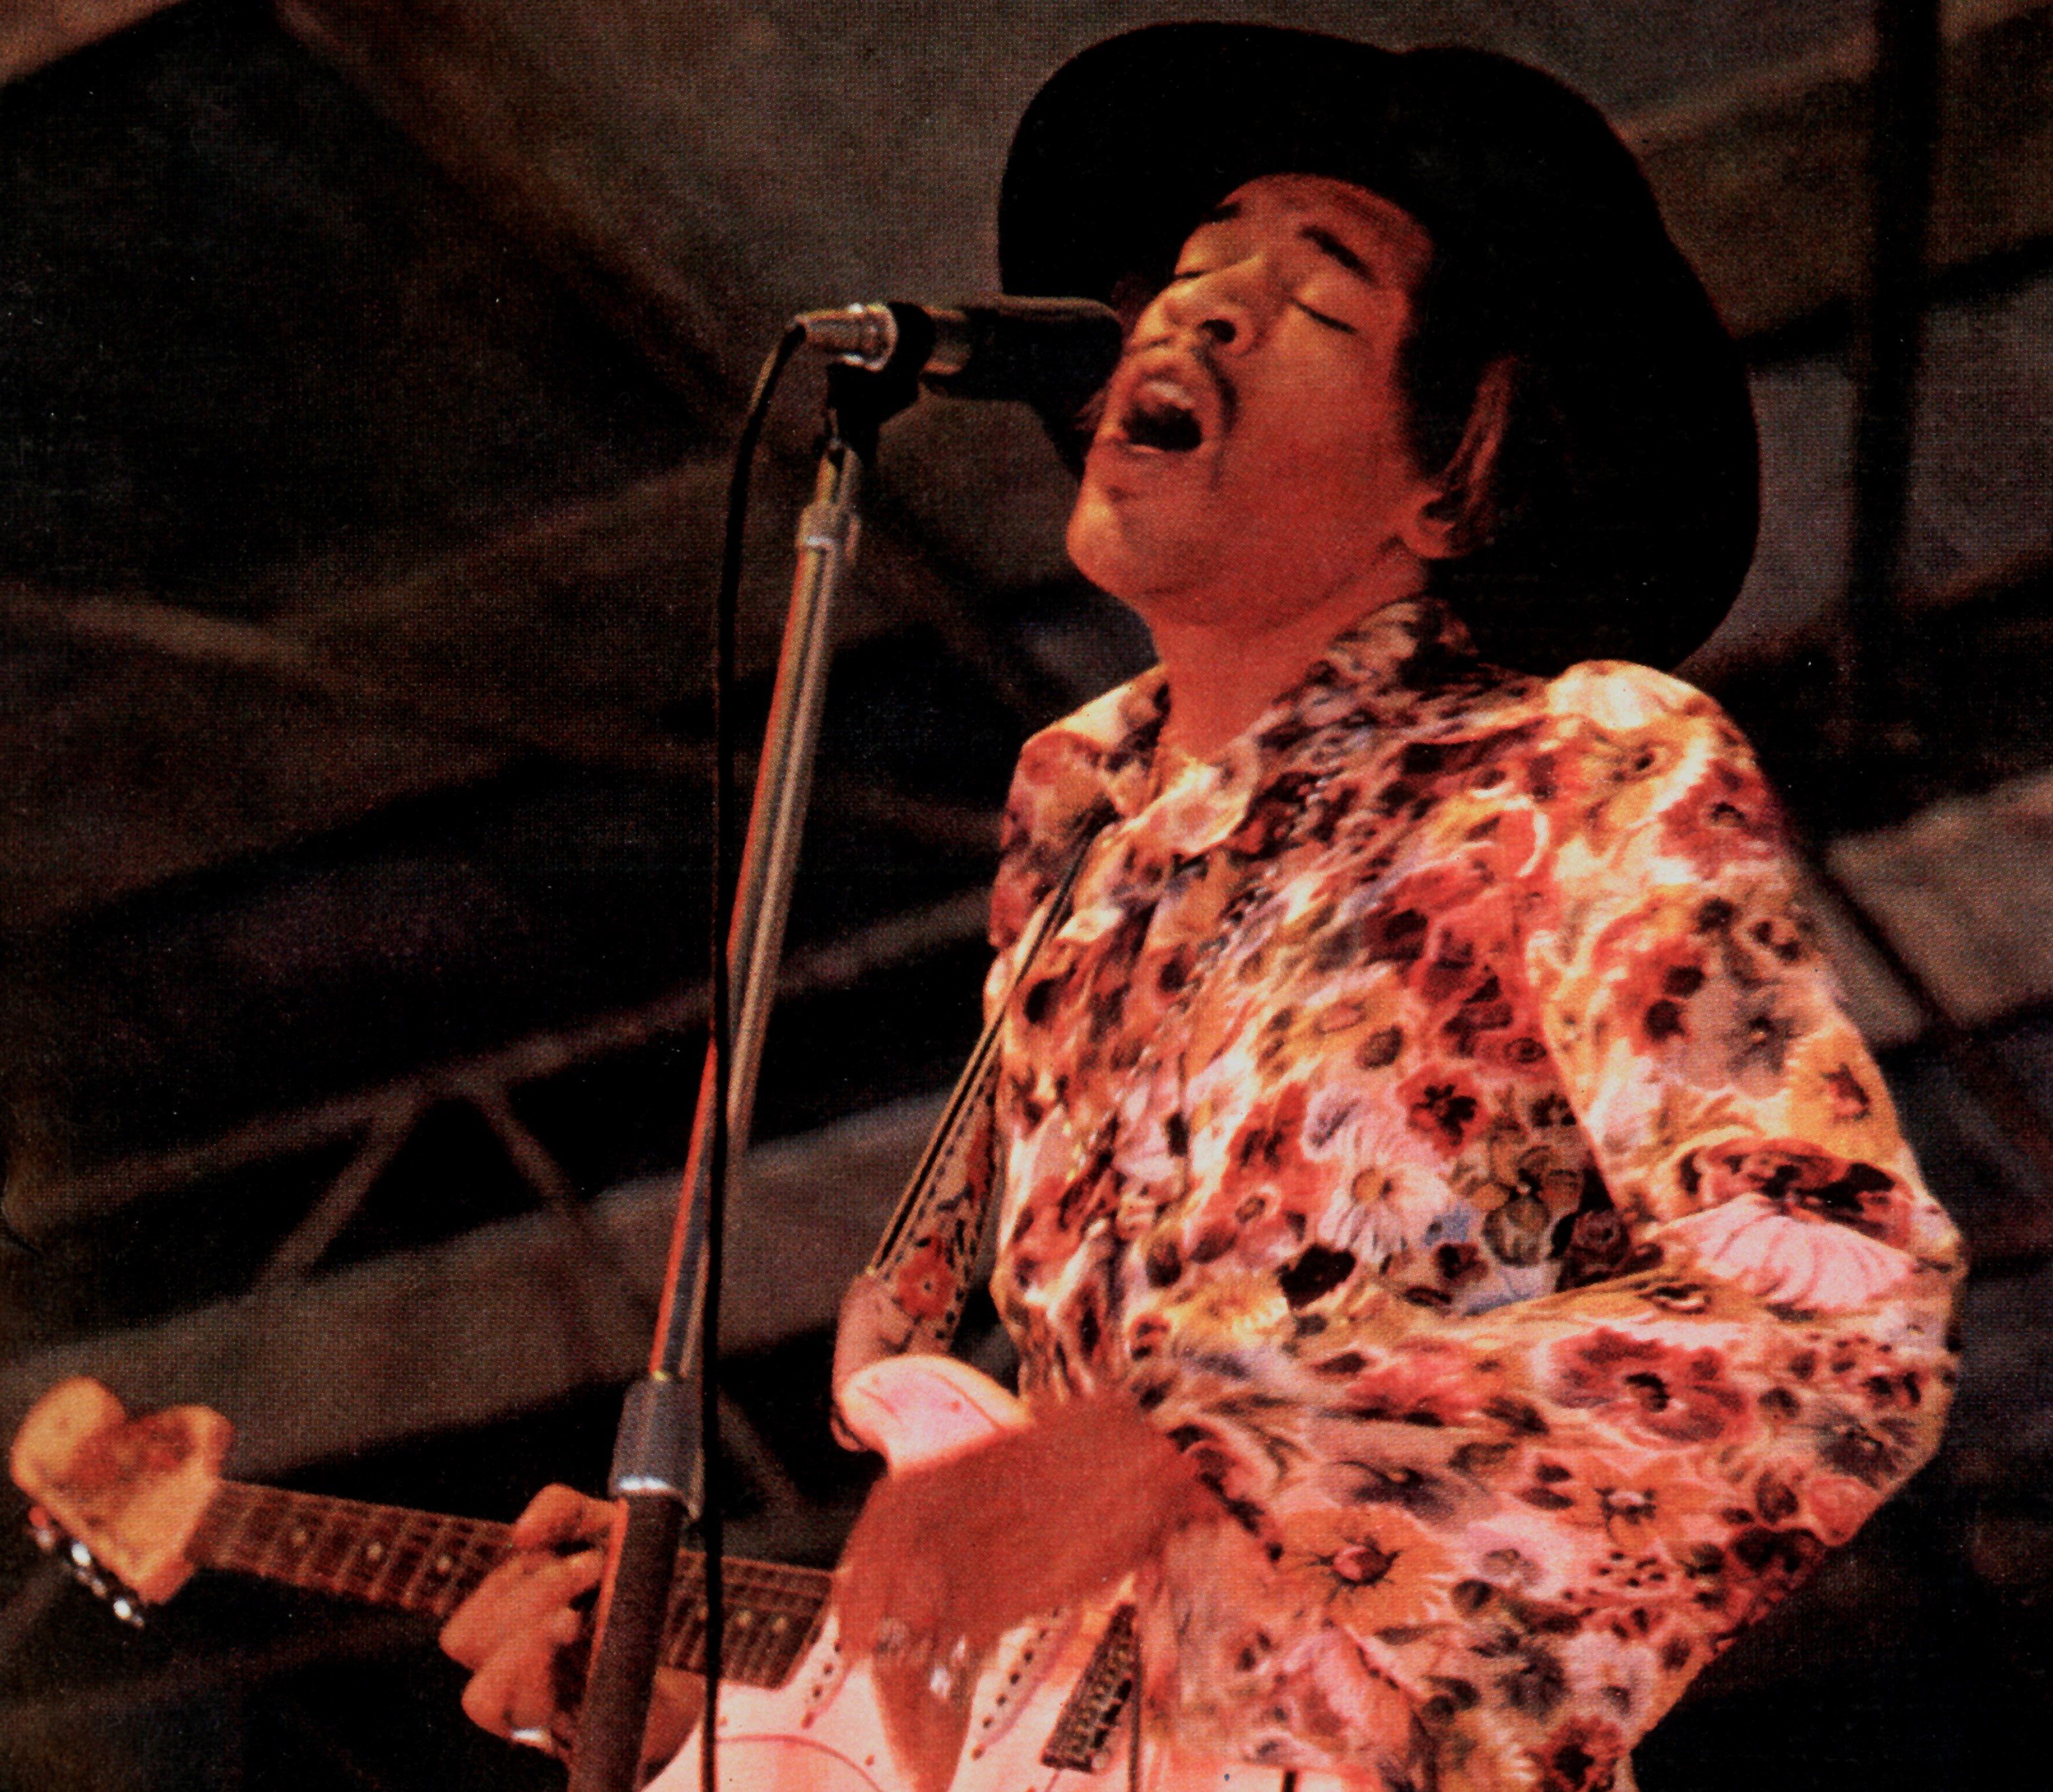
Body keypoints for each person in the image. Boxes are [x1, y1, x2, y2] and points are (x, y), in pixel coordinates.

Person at [441, 25, 1964, 1792]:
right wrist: (659, 1704)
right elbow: (1070, 1676)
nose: (1195, 312)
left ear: (1454, 478)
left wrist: (1196, 1452)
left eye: (1314, 306)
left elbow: (1836, 1329)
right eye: (1189, 266)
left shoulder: (1574, 765)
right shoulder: (1078, 841)